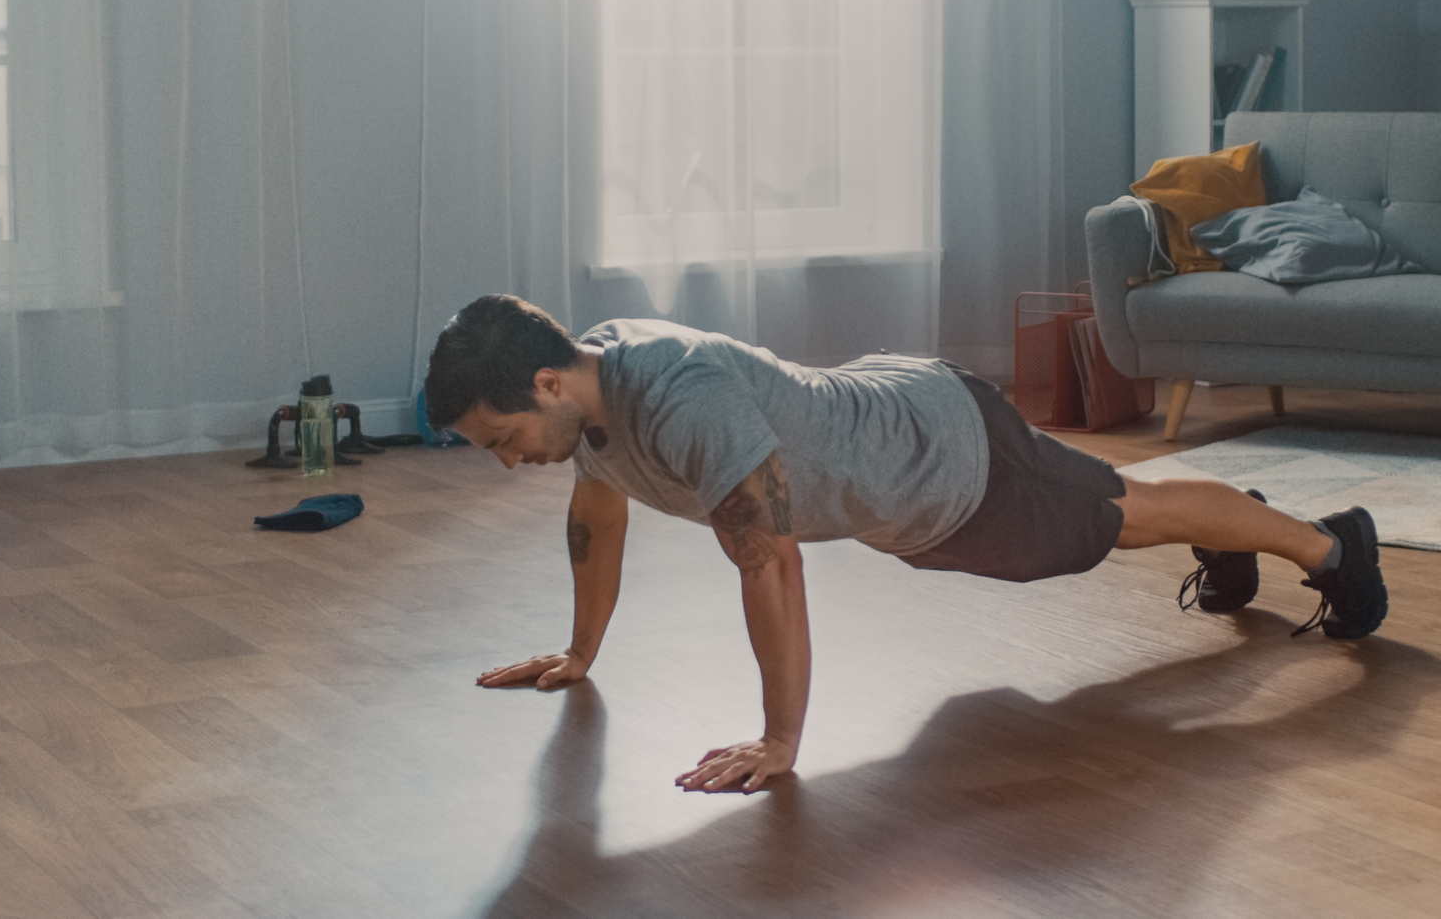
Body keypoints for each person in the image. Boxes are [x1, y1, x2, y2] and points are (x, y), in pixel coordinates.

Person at [429, 294, 1387, 794]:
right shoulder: (589, 392)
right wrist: (580, 650)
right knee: (1120, 508)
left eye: (500, 439)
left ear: (548, 383)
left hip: (945, 458)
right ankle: (1227, 525)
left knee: (1125, 511)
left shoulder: (681, 400)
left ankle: (1330, 545)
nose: (507, 462)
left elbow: (770, 560)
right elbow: (596, 512)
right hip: (904, 480)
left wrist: (779, 739)